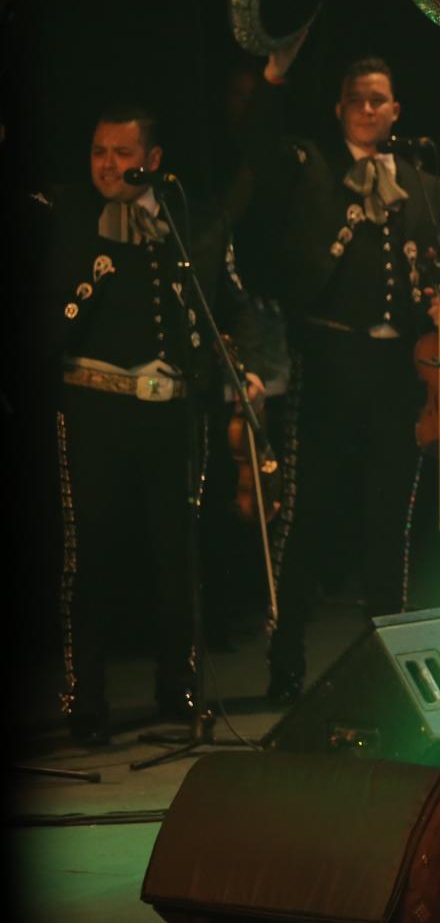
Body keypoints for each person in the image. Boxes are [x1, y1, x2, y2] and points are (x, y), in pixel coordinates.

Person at [254, 36, 440, 703]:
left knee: (388, 520)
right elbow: (259, 151)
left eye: (379, 100)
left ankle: (389, 661)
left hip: (394, 369)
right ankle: (285, 659)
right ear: (340, 108)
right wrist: (272, 81)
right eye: (357, 100)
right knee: (308, 516)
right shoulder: (310, 167)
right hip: (328, 358)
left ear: (396, 109)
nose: (368, 110)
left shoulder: (428, 187)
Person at [48, 106, 260, 742]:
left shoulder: (183, 219)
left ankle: (179, 689)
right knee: (91, 555)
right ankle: (85, 698)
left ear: (154, 159)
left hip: (171, 408)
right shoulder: (66, 212)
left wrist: (240, 366)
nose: (107, 165)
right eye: (98, 152)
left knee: (178, 554)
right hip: (95, 406)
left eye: (121, 152)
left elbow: (234, 302)